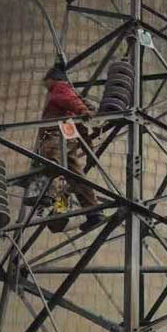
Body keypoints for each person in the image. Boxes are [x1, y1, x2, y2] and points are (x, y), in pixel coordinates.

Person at [38, 61, 105, 231]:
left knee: (52, 166)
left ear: (52, 79)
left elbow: (70, 101)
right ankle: (93, 212)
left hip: (56, 135)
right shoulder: (67, 91)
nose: (45, 86)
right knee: (75, 176)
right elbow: (75, 107)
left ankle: (50, 199)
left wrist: (84, 111)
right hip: (68, 134)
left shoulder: (59, 88)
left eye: (46, 82)